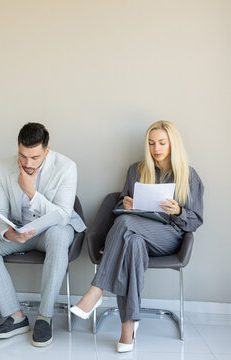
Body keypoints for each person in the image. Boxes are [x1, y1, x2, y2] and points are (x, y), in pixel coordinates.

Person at [70, 120, 203, 353]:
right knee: (131, 244)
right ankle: (127, 330)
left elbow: (196, 220)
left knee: (124, 223)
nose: (156, 148)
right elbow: (120, 203)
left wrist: (178, 211)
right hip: (136, 234)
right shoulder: (136, 170)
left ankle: (96, 290)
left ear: (173, 144)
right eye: (151, 143)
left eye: (162, 143)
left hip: (169, 237)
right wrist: (127, 203)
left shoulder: (188, 176)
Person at [0, 122, 85, 347]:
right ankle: (15, 316)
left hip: (52, 231)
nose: (27, 163)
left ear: (47, 151)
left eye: (34, 157)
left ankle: (45, 317)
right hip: (20, 230)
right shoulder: (3, 167)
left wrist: (31, 193)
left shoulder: (66, 167)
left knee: (58, 235)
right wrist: (8, 233)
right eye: (23, 156)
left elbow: (63, 216)